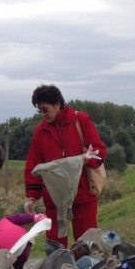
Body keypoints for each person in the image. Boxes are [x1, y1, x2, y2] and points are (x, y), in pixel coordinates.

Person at [24, 84, 107, 247]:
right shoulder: (40, 131)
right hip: (54, 198)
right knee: (55, 246)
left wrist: (88, 158)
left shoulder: (80, 120)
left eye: (45, 109)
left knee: (87, 245)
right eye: (39, 110)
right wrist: (31, 197)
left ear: (57, 105)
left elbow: (100, 152)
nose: (42, 114)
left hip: (83, 194)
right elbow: (33, 165)